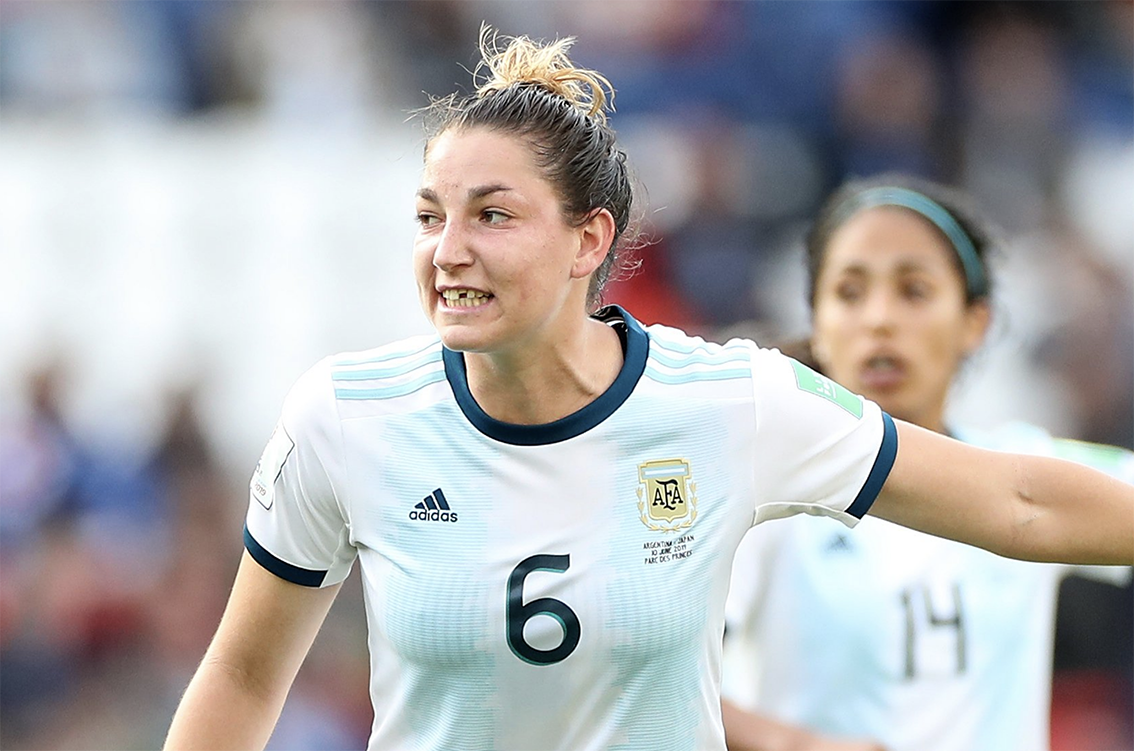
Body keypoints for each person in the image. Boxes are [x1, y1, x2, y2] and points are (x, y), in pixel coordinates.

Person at [163, 29, 1134, 751]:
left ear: (591, 240)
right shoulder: (345, 415)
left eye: (492, 215)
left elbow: (1017, 497)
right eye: (430, 215)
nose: (447, 251)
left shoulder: (731, 403)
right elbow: (245, 675)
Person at [720, 175, 1134, 751]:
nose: (879, 319)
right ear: (817, 321)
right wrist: (794, 744)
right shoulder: (764, 494)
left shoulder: (1031, 469)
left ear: (975, 322)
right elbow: (658, 674)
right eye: (849, 293)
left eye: (913, 291)